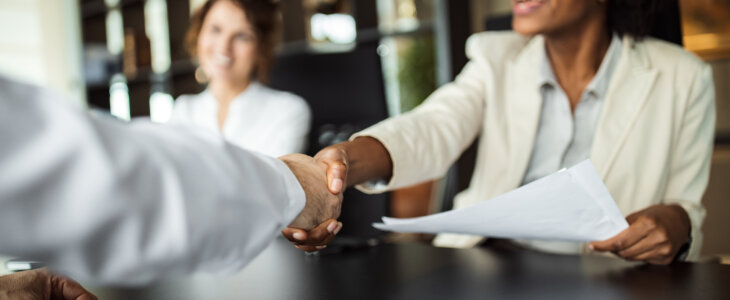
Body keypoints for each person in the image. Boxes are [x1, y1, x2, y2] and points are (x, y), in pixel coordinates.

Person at [285, 0, 716, 264]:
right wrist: (343, 163)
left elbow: (685, 207)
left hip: (608, 275)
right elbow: (431, 127)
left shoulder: (682, 78)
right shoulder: (498, 59)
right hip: (491, 266)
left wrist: (676, 223)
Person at [0, 76, 341, 285]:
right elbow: (122, 178)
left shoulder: (285, 107)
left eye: (242, 35)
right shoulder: (186, 106)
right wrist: (292, 184)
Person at [169, 0, 311, 158]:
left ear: (261, 47)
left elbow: (270, 181)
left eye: (242, 36)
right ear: (198, 34)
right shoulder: (183, 111)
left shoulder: (288, 111)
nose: (224, 47)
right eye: (215, 29)